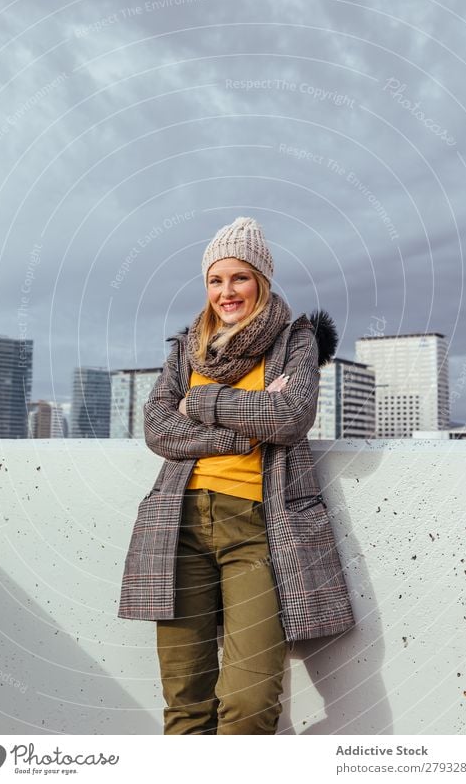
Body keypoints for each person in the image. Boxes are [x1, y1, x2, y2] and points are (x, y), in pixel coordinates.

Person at [118, 216, 355, 735]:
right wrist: (247, 425)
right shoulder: (187, 347)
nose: (226, 292)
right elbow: (159, 430)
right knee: (186, 704)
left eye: (239, 278)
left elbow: (291, 416)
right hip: (177, 528)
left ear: (261, 280)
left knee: (249, 704)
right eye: (215, 280)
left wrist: (201, 401)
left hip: (258, 529)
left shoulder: (296, 341)